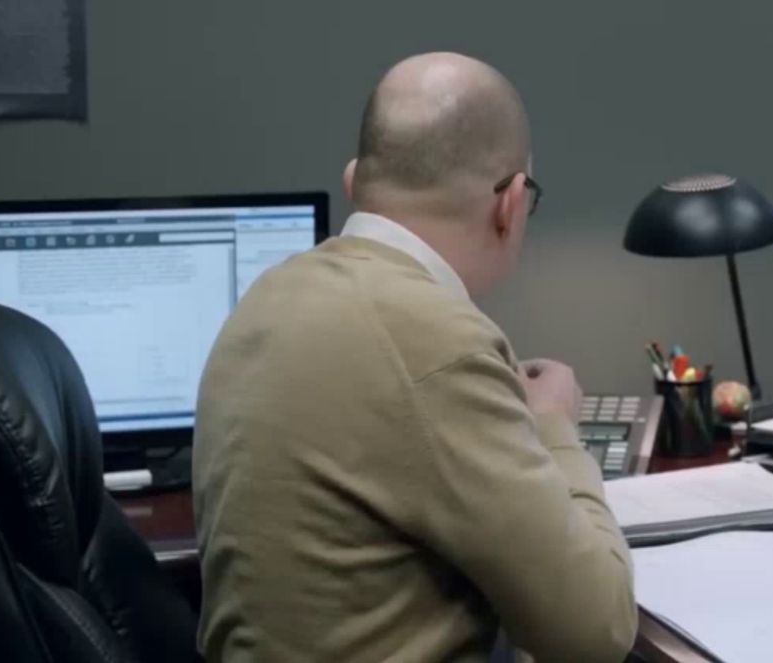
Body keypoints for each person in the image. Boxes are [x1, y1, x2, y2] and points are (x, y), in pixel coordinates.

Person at [193, 51, 636, 662]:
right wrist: (554, 426)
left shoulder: (266, 299)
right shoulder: (441, 346)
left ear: (355, 183)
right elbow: (596, 635)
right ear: (509, 204)